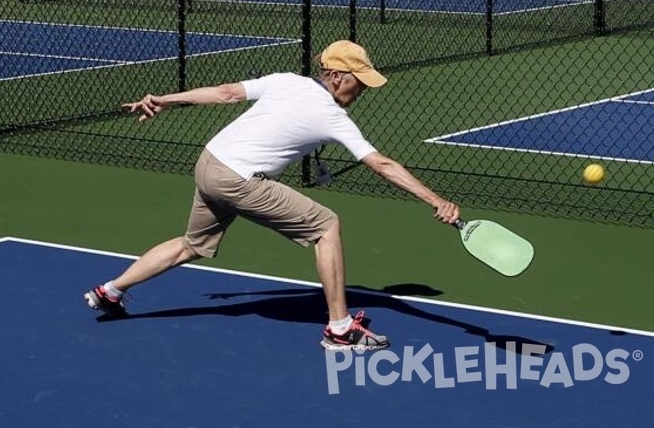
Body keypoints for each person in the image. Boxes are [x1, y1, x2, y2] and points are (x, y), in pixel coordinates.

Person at [83, 40, 461, 352]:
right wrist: (435, 200)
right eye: (357, 81)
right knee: (326, 226)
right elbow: (381, 164)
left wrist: (165, 99)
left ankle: (111, 291)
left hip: (209, 163)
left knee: (192, 245)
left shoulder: (285, 81)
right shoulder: (332, 115)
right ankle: (340, 329)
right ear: (334, 76)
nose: (360, 90)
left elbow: (226, 93)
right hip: (238, 177)